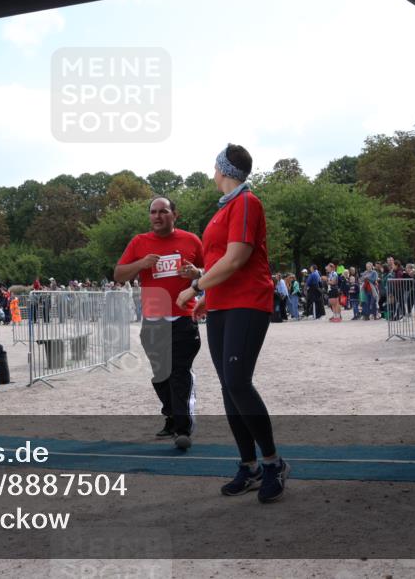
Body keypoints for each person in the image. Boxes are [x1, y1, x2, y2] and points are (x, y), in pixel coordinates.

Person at [176, 144, 289, 502]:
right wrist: (209, 298)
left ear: (223, 170)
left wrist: (194, 287)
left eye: (214, 167)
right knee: (229, 386)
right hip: (224, 304)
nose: (212, 173)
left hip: (248, 302)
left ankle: (272, 462)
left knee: (238, 381)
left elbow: (236, 258)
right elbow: (220, 262)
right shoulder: (224, 209)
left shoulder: (246, 203)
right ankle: (249, 465)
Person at [114, 197, 204, 451]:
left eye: (163, 211)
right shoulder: (139, 242)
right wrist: (140, 264)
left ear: (175, 214)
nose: (157, 216)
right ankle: (172, 415)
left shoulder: (191, 240)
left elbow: (212, 268)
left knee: (178, 373)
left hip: (183, 318)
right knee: (160, 375)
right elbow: (118, 274)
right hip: (153, 320)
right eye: (153, 212)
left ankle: (183, 429)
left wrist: (196, 273)